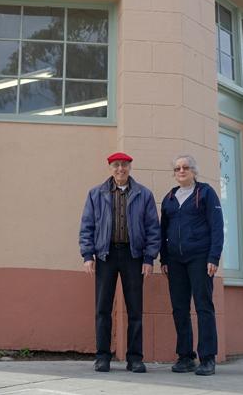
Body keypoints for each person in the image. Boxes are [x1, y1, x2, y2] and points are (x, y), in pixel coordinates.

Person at [79, 152, 161, 373]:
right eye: (116, 165)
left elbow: (153, 228)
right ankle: (102, 357)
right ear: (110, 168)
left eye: (124, 165)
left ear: (130, 167)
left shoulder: (144, 194)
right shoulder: (96, 194)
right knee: (103, 308)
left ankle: (135, 358)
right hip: (105, 256)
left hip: (133, 256)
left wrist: (149, 258)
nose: (120, 169)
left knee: (135, 309)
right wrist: (88, 255)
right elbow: (87, 227)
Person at [160, 154, 224, 376]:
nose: (181, 171)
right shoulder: (169, 198)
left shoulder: (205, 193)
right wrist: (164, 259)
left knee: (203, 307)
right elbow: (162, 231)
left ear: (194, 171)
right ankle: (185, 357)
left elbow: (217, 226)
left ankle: (208, 358)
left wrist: (213, 257)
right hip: (175, 260)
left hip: (200, 258)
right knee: (179, 308)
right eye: (177, 168)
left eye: (185, 167)